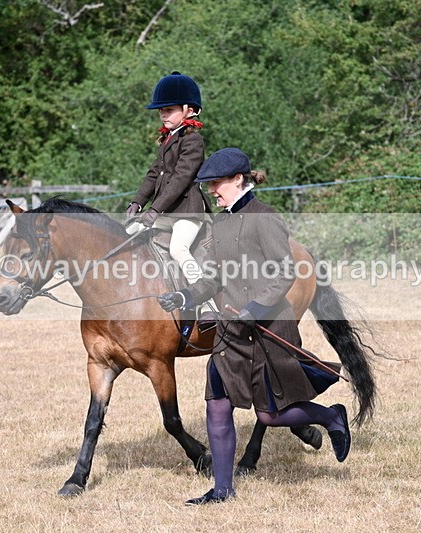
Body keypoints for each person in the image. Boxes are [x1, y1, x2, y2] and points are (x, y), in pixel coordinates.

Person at [157, 148, 350, 505]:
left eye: (216, 184)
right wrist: (185, 297)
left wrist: (255, 307)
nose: (212, 191)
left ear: (237, 180)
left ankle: (330, 416)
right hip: (231, 332)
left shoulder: (266, 218)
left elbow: (284, 271)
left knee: (270, 414)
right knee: (216, 404)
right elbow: (212, 277)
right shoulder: (221, 222)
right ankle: (222, 489)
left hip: (266, 328)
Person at [126, 71, 217, 328]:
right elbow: (154, 174)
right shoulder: (167, 140)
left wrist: (154, 209)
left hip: (188, 213)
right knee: (130, 232)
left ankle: (207, 306)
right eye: (161, 111)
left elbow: (180, 178)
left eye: (169, 109)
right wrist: (137, 202)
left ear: (189, 110)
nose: (163, 114)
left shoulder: (193, 140)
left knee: (179, 249)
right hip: (165, 213)